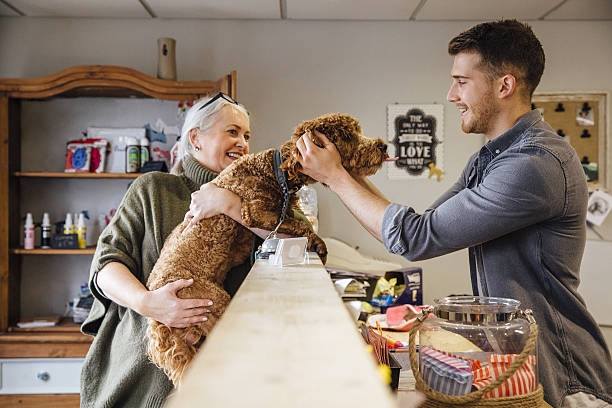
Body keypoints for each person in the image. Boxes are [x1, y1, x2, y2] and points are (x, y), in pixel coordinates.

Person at [294, 20, 612, 408]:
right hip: (518, 367)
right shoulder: (491, 158)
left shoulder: (535, 164)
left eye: (461, 82)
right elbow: (422, 224)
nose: (451, 95)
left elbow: (414, 238)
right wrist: (349, 176)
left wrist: (336, 176)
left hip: (565, 380)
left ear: (504, 86)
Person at [80, 93, 256, 407]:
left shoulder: (252, 202)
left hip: (225, 371)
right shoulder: (154, 189)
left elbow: (300, 241)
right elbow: (105, 265)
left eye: (246, 135)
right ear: (196, 138)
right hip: (144, 369)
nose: (242, 142)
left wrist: (230, 204)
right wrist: (148, 303)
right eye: (232, 131)